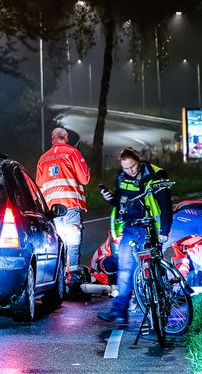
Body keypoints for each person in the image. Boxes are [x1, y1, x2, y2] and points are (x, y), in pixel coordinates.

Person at [96, 147, 173, 324]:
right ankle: (119, 312)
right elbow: (119, 201)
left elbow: (165, 205)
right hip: (130, 228)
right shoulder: (121, 177)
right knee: (125, 270)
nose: (130, 171)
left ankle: (162, 307)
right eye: (126, 168)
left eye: (132, 167)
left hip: (150, 227)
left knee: (154, 267)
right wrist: (110, 198)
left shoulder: (155, 175)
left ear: (139, 161)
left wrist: (164, 232)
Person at [36, 126, 90, 271]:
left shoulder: (43, 158)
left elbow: (39, 185)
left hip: (52, 209)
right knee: (73, 241)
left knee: (57, 242)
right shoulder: (73, 152)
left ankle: (58, 275)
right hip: (70, 204)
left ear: (52, 140)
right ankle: (72, 277)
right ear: (66, 138)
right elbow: (84, 179)